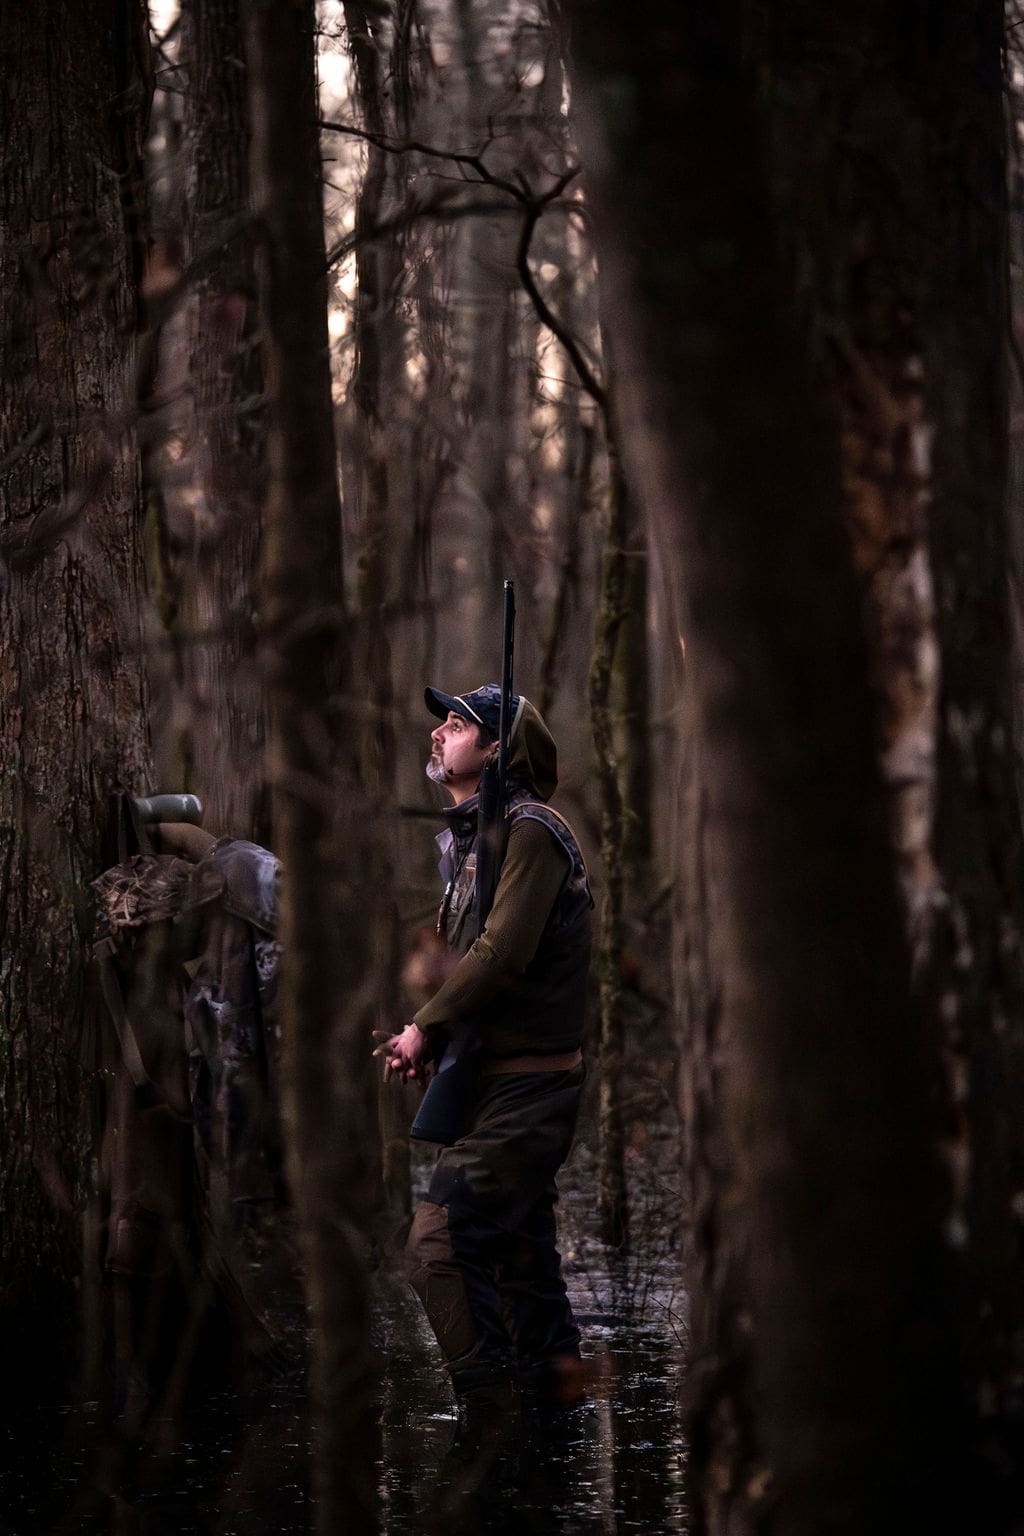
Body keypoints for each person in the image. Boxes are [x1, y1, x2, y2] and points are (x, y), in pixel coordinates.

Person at [376, 682, 593, 1464]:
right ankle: (548, 1435)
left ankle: (488, 1416)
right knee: (522, 1262)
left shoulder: (531, 831)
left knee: (440, 1237)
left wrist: (428, 1022)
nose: (439, 732)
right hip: (493, 1080)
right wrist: (435, 1040)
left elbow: (502, 956)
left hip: (531, 1087)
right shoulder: (473, 840)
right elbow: (470, 962)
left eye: (460, 723)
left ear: (498, 748)